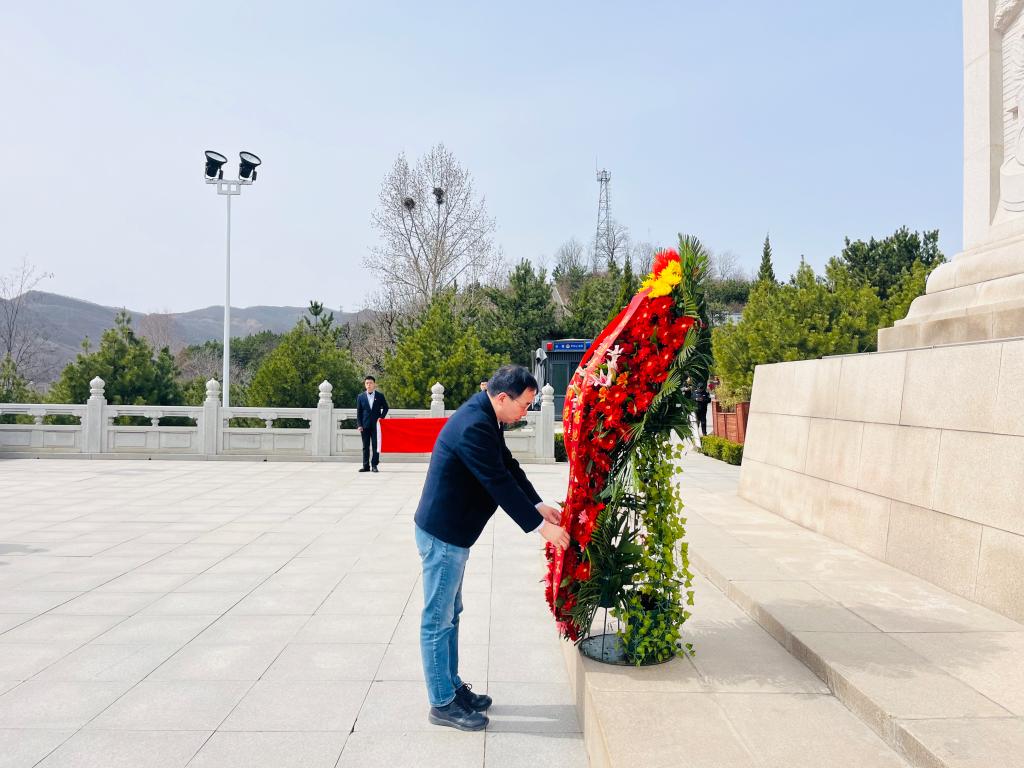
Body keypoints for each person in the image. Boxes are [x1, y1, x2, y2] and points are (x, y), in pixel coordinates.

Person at [414, 365, 569, 731]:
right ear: (502, 398)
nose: (525, 412)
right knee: (437, 619)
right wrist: (541, 528)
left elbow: (508, 466)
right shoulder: (474, 425)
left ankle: (451, 687)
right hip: (443, 534)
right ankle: (441, 703)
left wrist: (537, 505)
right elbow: (497, 481)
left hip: (454, 533)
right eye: (525, 405)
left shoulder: (486, 416)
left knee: (451, 613)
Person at [356, 375, 389, 472]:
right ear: (365, 385)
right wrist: (359, 425)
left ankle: (374, 465)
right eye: (367, 383)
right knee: (365, 446)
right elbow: (359, 412)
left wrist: (381, 417)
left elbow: (386, 408)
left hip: (376, 425)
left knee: (375, 446)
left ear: (374, 384)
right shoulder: (360, 397)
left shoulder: (380, 396)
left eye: (370, 383)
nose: (369, 385)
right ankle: (365, 466)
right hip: (364, 425)